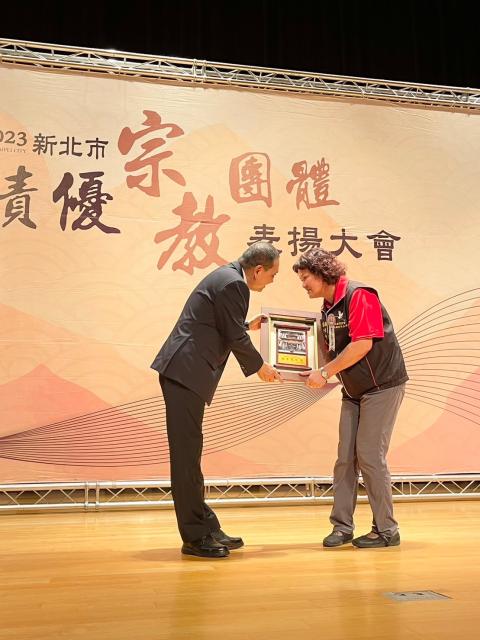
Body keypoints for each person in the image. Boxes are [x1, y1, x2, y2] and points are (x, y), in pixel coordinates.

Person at [151, 242, 282, 558]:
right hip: (184, 372)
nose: (272, 281)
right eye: (273, 274)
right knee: (186, 459)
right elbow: (233, 336)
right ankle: (195, 537)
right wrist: (260, 366)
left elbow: (223, 325)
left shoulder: (227, 277)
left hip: (185, 372)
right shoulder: (235, 283)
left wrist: (247, 326)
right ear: (258, 270)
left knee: (191, 454)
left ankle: (207, 527)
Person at [293, 248, 408, 548]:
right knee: (345, 458)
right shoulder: (327, 307)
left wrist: (325, 372)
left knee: (369, 455)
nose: (303, 284)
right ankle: (342, 526)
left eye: (305, 278)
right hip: (354, 390)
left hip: (383, 386)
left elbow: (362, 345)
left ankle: (387, 530)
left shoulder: (360, 295)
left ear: (321, 274)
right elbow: (328, 347)